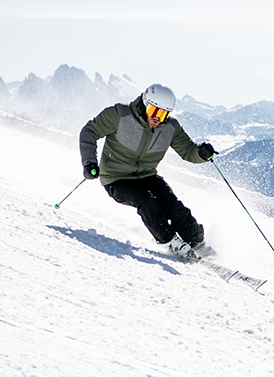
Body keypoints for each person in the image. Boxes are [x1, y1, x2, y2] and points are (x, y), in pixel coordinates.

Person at [79, 83, 217, 258]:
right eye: (154, 110)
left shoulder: (170, 127)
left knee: (171, 204)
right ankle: (169, 241)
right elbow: (89, 131)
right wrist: (89, 162)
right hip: (116, 178)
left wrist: (202, 153)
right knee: (146, 200)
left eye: (163, 113)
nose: (158, 117)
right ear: (145, 103)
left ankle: (197, 241)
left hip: (146, 175)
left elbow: (189, 151)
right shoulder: (119, 115)